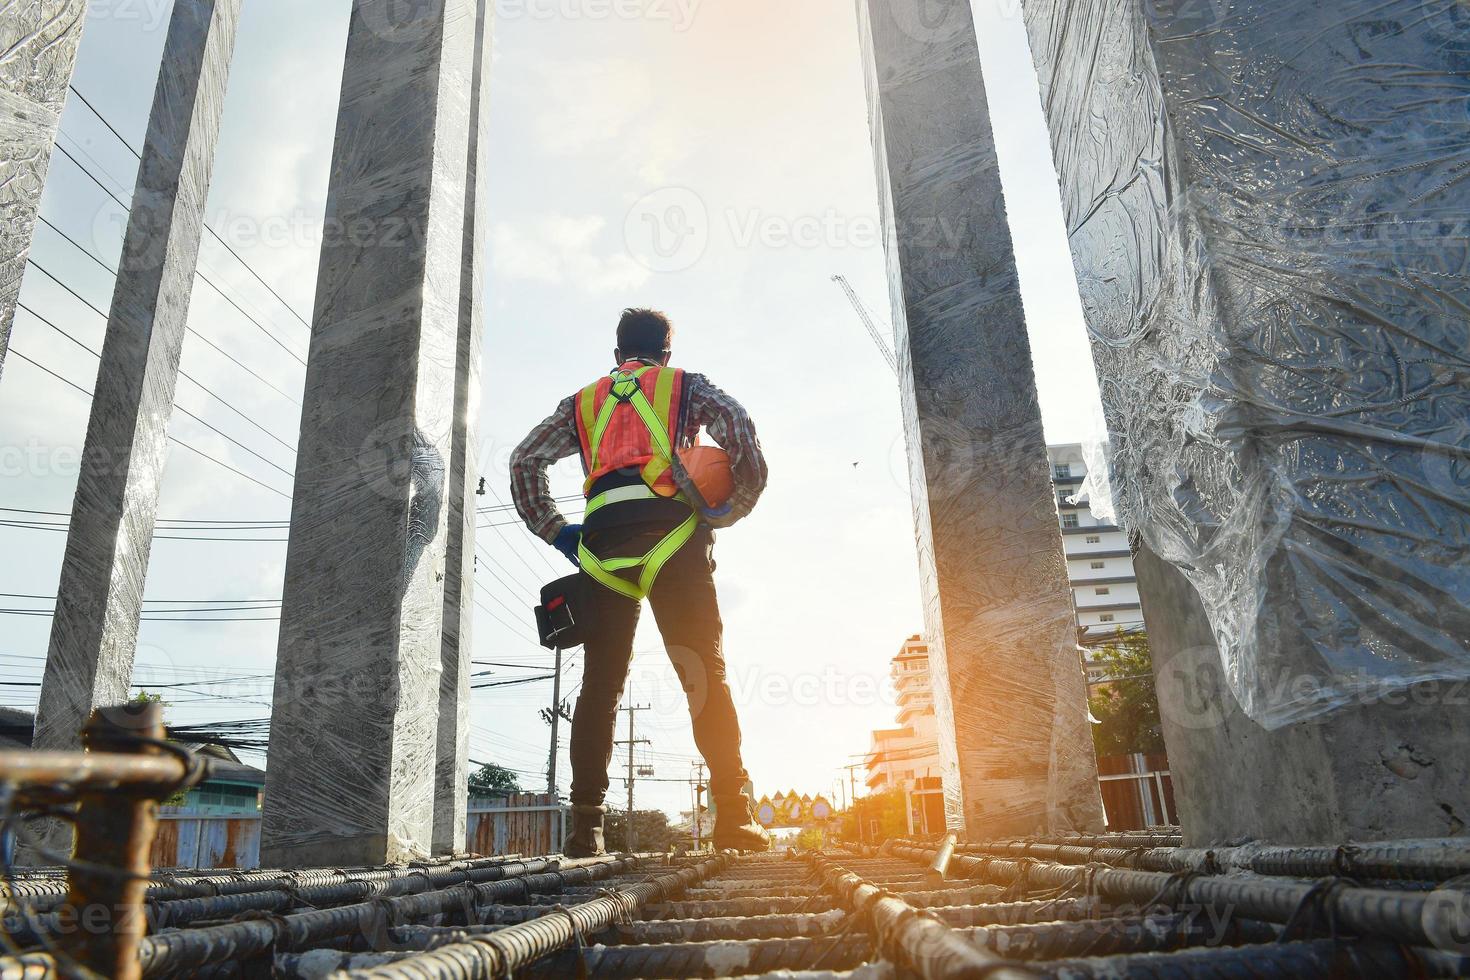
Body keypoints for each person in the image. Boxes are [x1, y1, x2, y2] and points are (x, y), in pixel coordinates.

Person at [510, 308, 771, 855]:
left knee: (601, 688)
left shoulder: (583, 402)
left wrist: (559, 533)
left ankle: (586, 830)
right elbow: (738, 426)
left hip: (603, 546)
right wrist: (732, 507)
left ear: (617, 354)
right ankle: (735, 820)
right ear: (666, 354)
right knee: (703, 673)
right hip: (674, 538)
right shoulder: (684, 387)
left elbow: (524, 460)